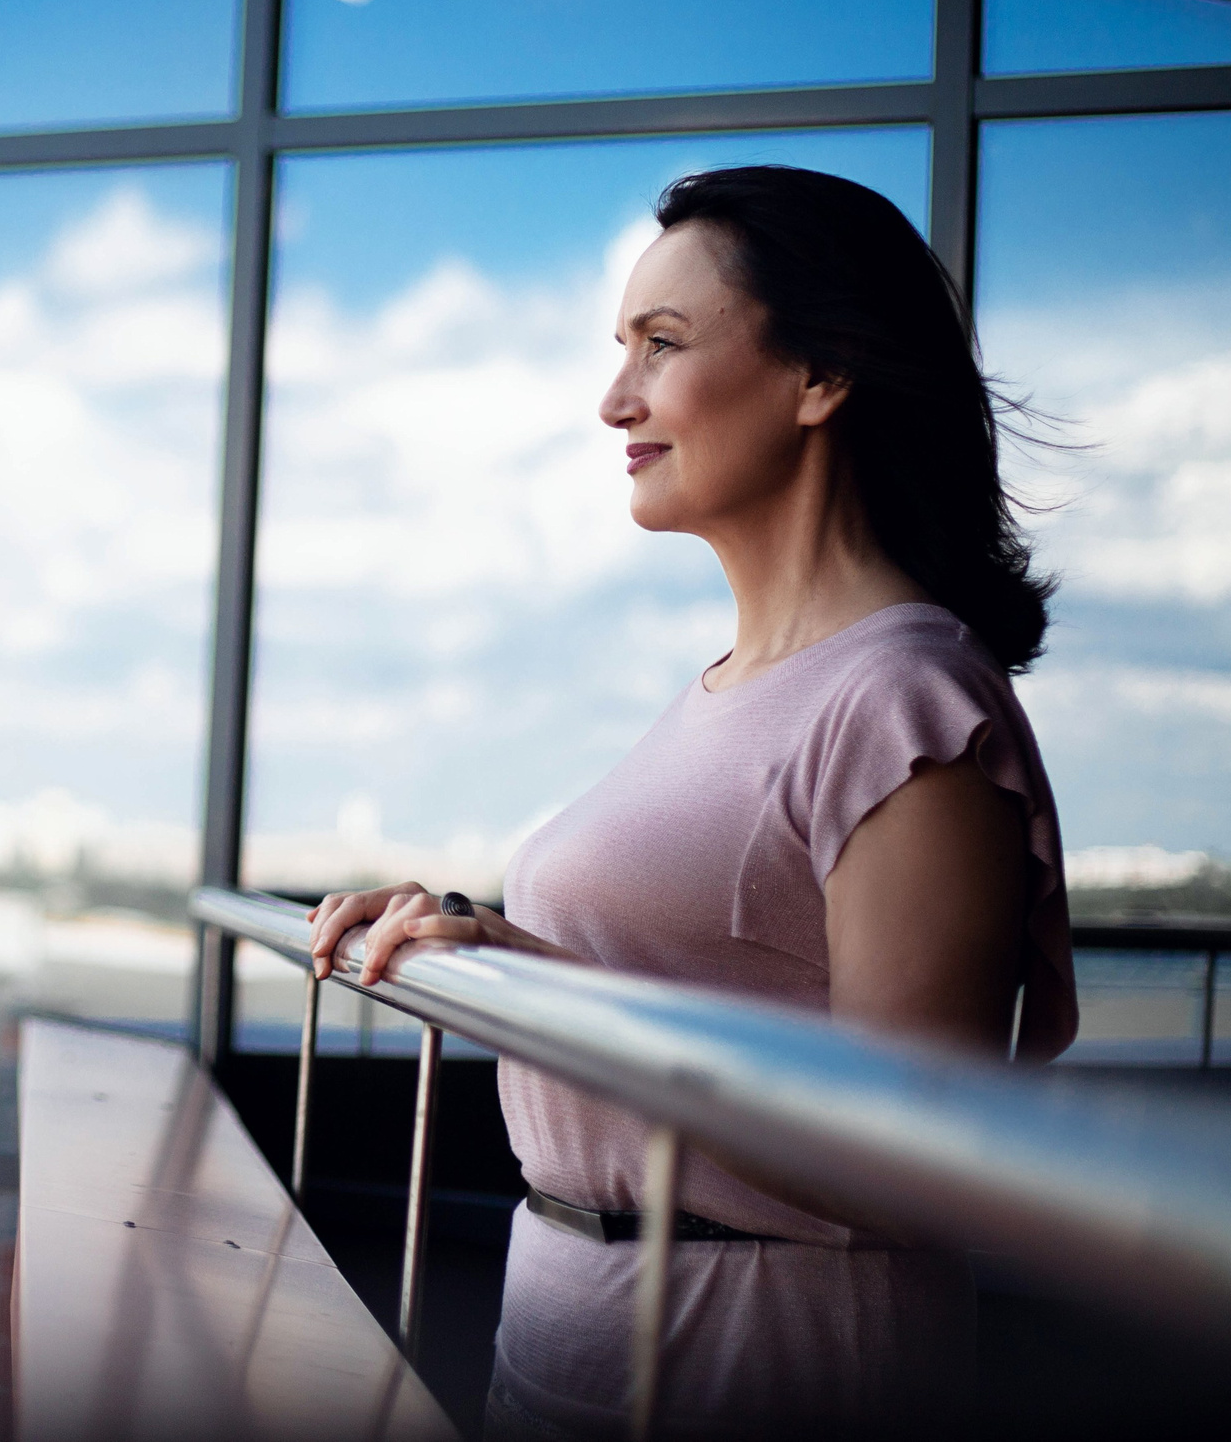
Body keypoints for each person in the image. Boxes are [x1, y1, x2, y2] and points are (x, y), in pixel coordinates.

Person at [305, 165, 1076, 1440]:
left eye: (661, 347)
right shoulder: (730, 691)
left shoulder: (902, 701)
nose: (616, 400)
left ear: (821, 377)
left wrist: (551, 983)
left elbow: (910, 1152)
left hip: (760, 1363)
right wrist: (477, 939)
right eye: (621, 350)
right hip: (577, 1335)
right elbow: (680, 978)